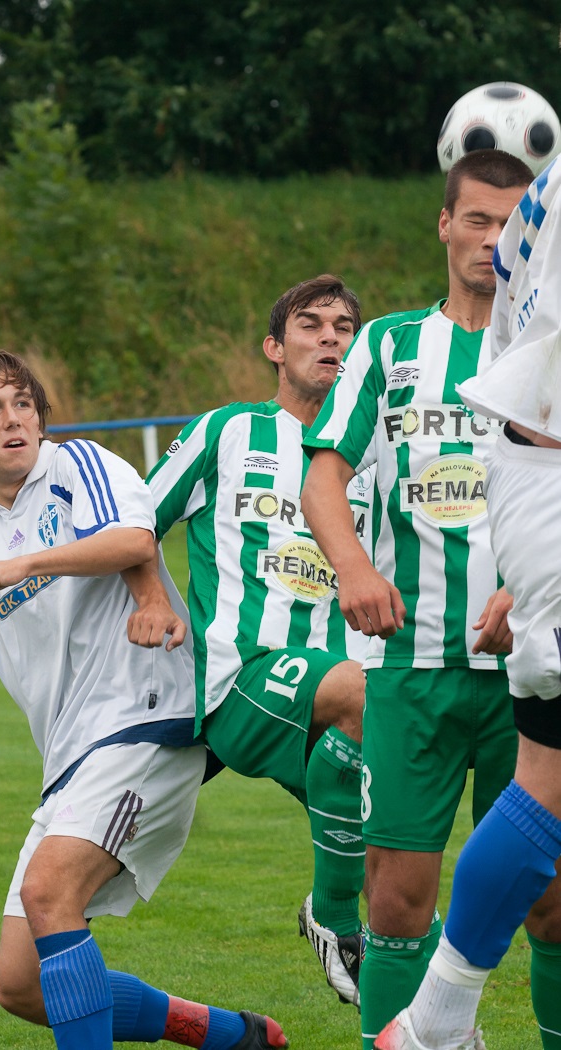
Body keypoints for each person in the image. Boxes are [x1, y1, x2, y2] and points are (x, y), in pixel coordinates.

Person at [0, 350, 287, 1050]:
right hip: (72, 761)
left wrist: (22, 565)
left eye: (23, 402)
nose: (14, 419)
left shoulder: (75, 467)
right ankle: (228, 1036)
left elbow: (131, 538)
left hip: (146, 719)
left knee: (49, 890)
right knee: (22, 986)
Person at [298, 151, 555, 1050]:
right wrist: (357, 570)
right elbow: (323, 477)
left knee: (554, 901)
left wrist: (534, 590)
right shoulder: (391, 346)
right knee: (398, 896)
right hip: (410, 671)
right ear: (444, 225)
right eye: (476, 220)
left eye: (510, 224)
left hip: (532, 666)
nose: (492, 241)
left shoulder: (549, 347)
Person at [374, 157, 561, 1050]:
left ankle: (436, 1020)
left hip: (536, 493)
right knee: (548, 787)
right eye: (471, 220)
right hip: (548, 485)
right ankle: (435, 1020)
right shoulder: (392, 344)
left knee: (547, 783)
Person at [147, 275, 370, 1010]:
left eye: (344, 327)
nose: (331, 337)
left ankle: (422, 1019)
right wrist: (150, 598)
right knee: (362, 695)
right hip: (241, 676)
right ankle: (335, 923)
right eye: (311, 325)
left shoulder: (372, 455)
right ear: (275, 348)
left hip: (335, 676)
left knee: (400, 868)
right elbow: (132, 522)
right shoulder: (228, 430)